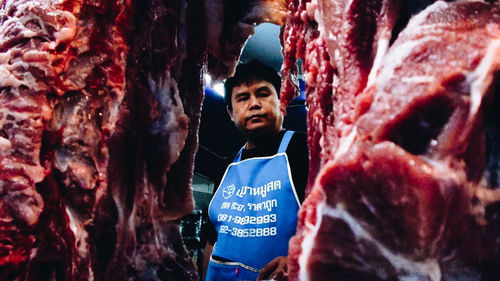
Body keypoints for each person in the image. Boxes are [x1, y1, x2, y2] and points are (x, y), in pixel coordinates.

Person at [203, 60, 308, 281]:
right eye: (243, 98)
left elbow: (342, 228)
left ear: (282, 102)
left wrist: (302, 258)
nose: (254, 104)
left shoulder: (308, 150)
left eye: (263, 94)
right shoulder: (227, 166)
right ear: (230, 113)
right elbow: (212, 241)